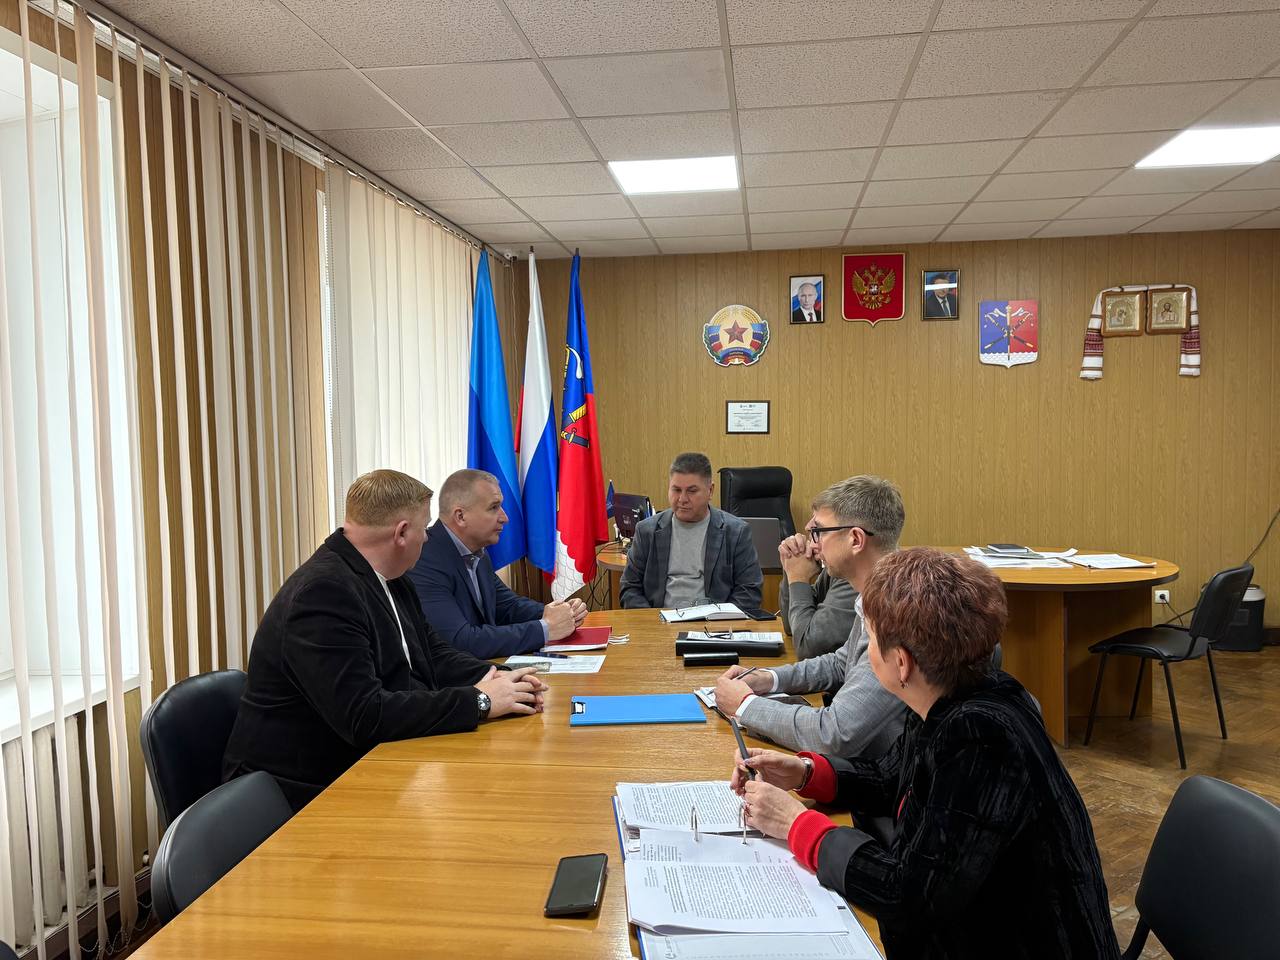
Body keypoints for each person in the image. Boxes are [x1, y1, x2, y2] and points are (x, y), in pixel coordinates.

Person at [731, 548, 1121, 959]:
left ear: (901, 663)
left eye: (869, 639)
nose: (864, 651)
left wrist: (796, 824)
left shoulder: (981, 737)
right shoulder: (953, 694)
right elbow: (891, 777)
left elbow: (910, 895)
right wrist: (806, 773)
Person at [223, 469, 547, 812]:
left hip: (369, 764)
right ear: (402, 533)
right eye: (425, 529)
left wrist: (499, 679)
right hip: (302, 791)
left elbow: (432, 654)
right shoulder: (323, 593)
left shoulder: (392, 577)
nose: (428, 538)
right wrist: (479, 701)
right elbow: (365, 715)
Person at [714, 476, 907, 758]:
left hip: (890, 773)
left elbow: (834, 734)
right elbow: (841, 664)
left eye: (819, 531)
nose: (811, 543)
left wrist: (745, 705)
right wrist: (768, 678)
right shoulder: (878, 592)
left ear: (855, 539)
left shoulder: (898, 610)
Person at [408, 469, 587, 658]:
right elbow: (459, 641)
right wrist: (546, 628)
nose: (505, 517)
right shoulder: (424, 559)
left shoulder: (477, 552)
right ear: (460, 516)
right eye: (494, 507)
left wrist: (561, 612)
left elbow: (507, 605)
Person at [619, 452, 762, 610]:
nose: (682, 499)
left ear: (710, 490)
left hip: (714, 622)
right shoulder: (646, 531)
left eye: (692, 491)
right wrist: (653, 620)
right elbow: (629, 588)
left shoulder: (736, 532)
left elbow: (749, 591)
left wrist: (719, 618)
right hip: (659, 620)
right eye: (676, 490)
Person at [778, 514, 859, 660]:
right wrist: (791, 565)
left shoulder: (857, 576)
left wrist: (797, 577)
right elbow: (793, 626)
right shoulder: (837, 567)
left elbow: (807, 648)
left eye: (820, 529)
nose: (807, 527)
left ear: (855, 539)